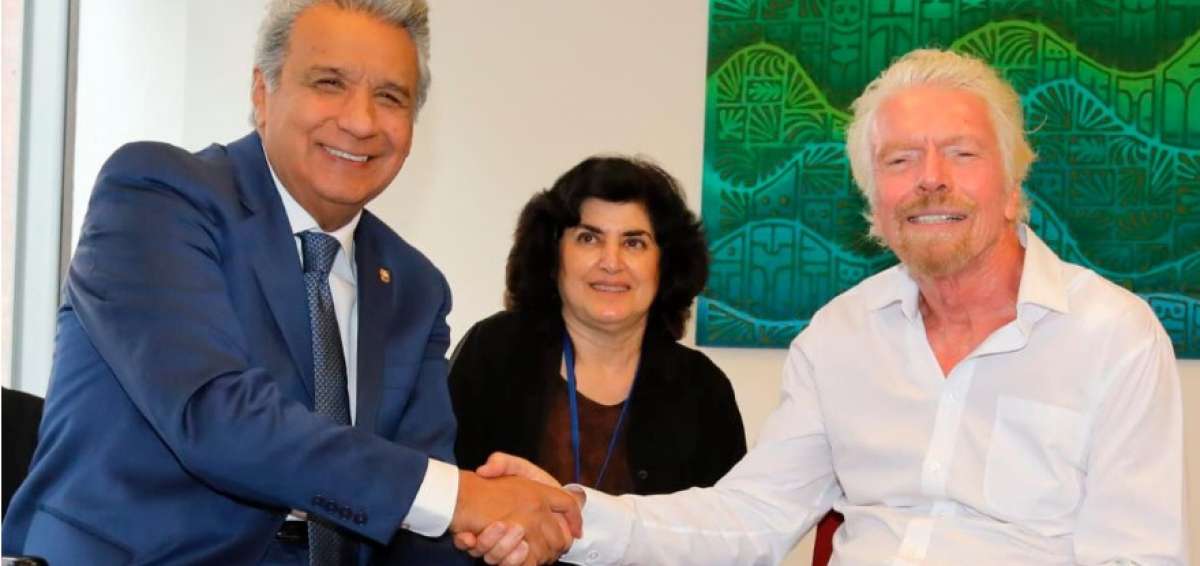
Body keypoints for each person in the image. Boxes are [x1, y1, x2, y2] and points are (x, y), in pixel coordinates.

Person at [461, 49, 1188, 565]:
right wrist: (576, 513)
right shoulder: (841, 337)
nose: (930, 180)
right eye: (900, 160)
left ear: (1012, 181)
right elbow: (752, 515)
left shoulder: (1111, 336)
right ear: (873, 198)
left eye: (962, 153)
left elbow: (1136, 556)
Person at [0, 1, 579, 565]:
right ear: (262, 93)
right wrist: (460, 498)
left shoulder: (415, 287)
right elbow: (215, 416)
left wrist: (501, 534)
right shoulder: (159, 196)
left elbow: (418, 518)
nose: (360, 121)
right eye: (329, 83)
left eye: (390, 97)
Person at [448, 157, 747, 563]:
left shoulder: (703, 389)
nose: (611, 261)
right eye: (589, 238)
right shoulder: (494, 352)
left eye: (634, 242)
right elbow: (447, 500)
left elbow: (727, 539)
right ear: (554, 255)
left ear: (665, 263)